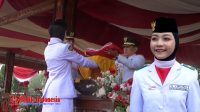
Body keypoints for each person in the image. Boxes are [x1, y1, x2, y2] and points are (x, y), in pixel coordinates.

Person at [130, 17, 200, 112]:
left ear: (176, 41)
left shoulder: (189, 75)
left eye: (166, 38)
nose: (159, 43)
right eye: (154, 38)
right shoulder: (140, 75)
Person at [42, 20, 98, 112]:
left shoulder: (47, 49)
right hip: (62, 91)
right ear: (63, 33)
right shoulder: (64, 48)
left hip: (50, 90)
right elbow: (82, 61)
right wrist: (97, 64)